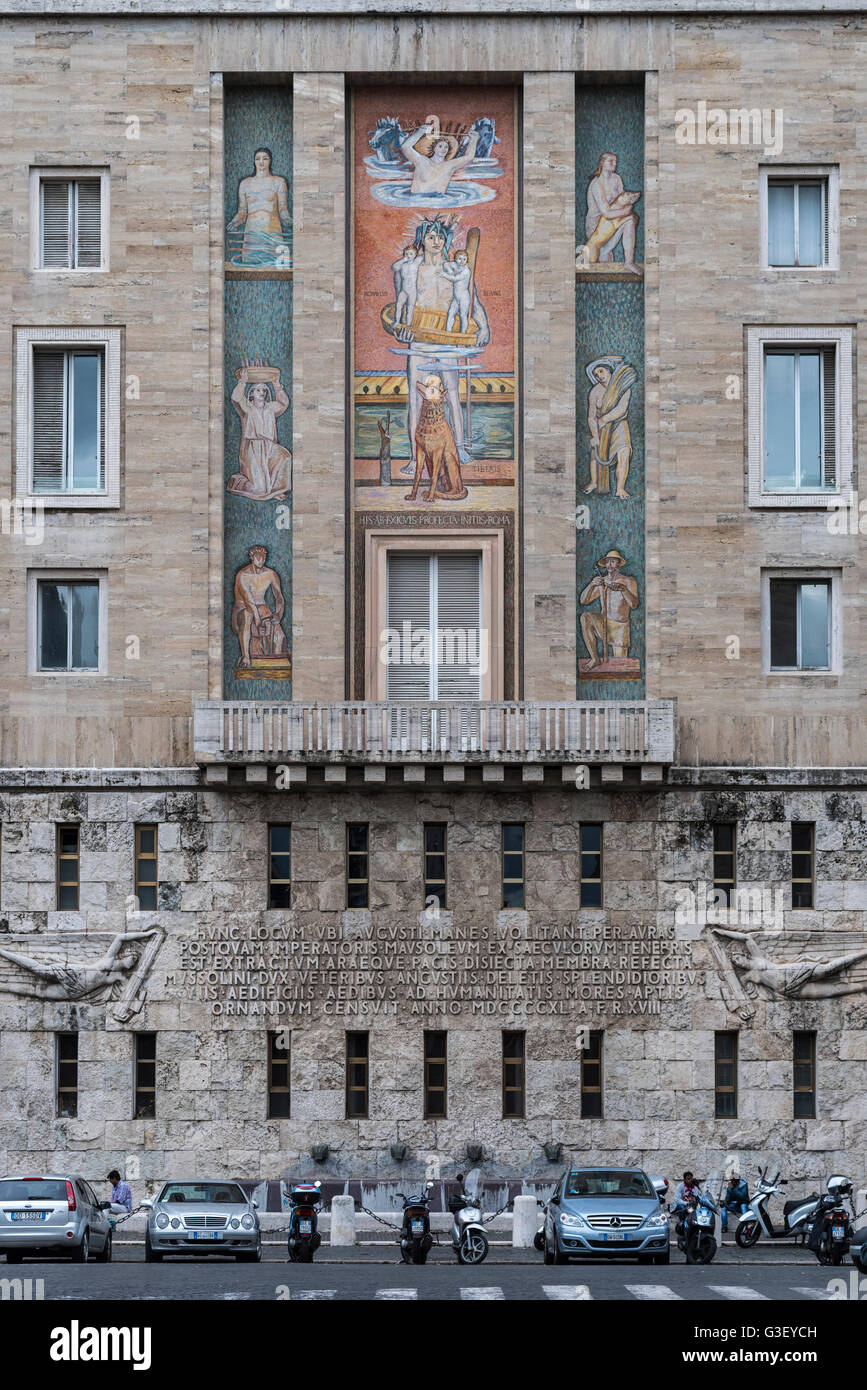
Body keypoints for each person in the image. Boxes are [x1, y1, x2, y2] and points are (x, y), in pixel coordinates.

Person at [227, 366, 292, 501]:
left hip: (269, 447)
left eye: (264, 390)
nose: (261, 392)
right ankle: (237, 481)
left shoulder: (271, 408)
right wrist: (242, 381)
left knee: (285, 456)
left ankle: (274, 490)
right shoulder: (247, 407)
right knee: (259, 488)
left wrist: (276, 384)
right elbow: (235, 398)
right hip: (252, 449)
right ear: (251, 393)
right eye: (258, 389)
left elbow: (284, 403)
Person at [226, 147, 291, 266]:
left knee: (274, 273)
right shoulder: (245, 183)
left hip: (272, 236)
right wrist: (234, 222)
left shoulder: (279, 182)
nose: (261, 162)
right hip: (252, 238)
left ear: (270, 161)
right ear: (254, 161)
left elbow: (283, 210)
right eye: (258, 159)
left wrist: (289, 222)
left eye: (265, 159)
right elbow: (242, 212)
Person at [579, 549, 640, 670]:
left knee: (620, 667)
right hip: (604, 625)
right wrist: (591, 584)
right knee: (585, 617)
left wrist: (623, 589)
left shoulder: (629, 581)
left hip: (620, 629)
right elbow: (583, 601)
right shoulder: (602, 582)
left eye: (612, 562)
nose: (609, 565)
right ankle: (595, 659)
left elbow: (634, 605)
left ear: (618, 564)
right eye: (607, 562)